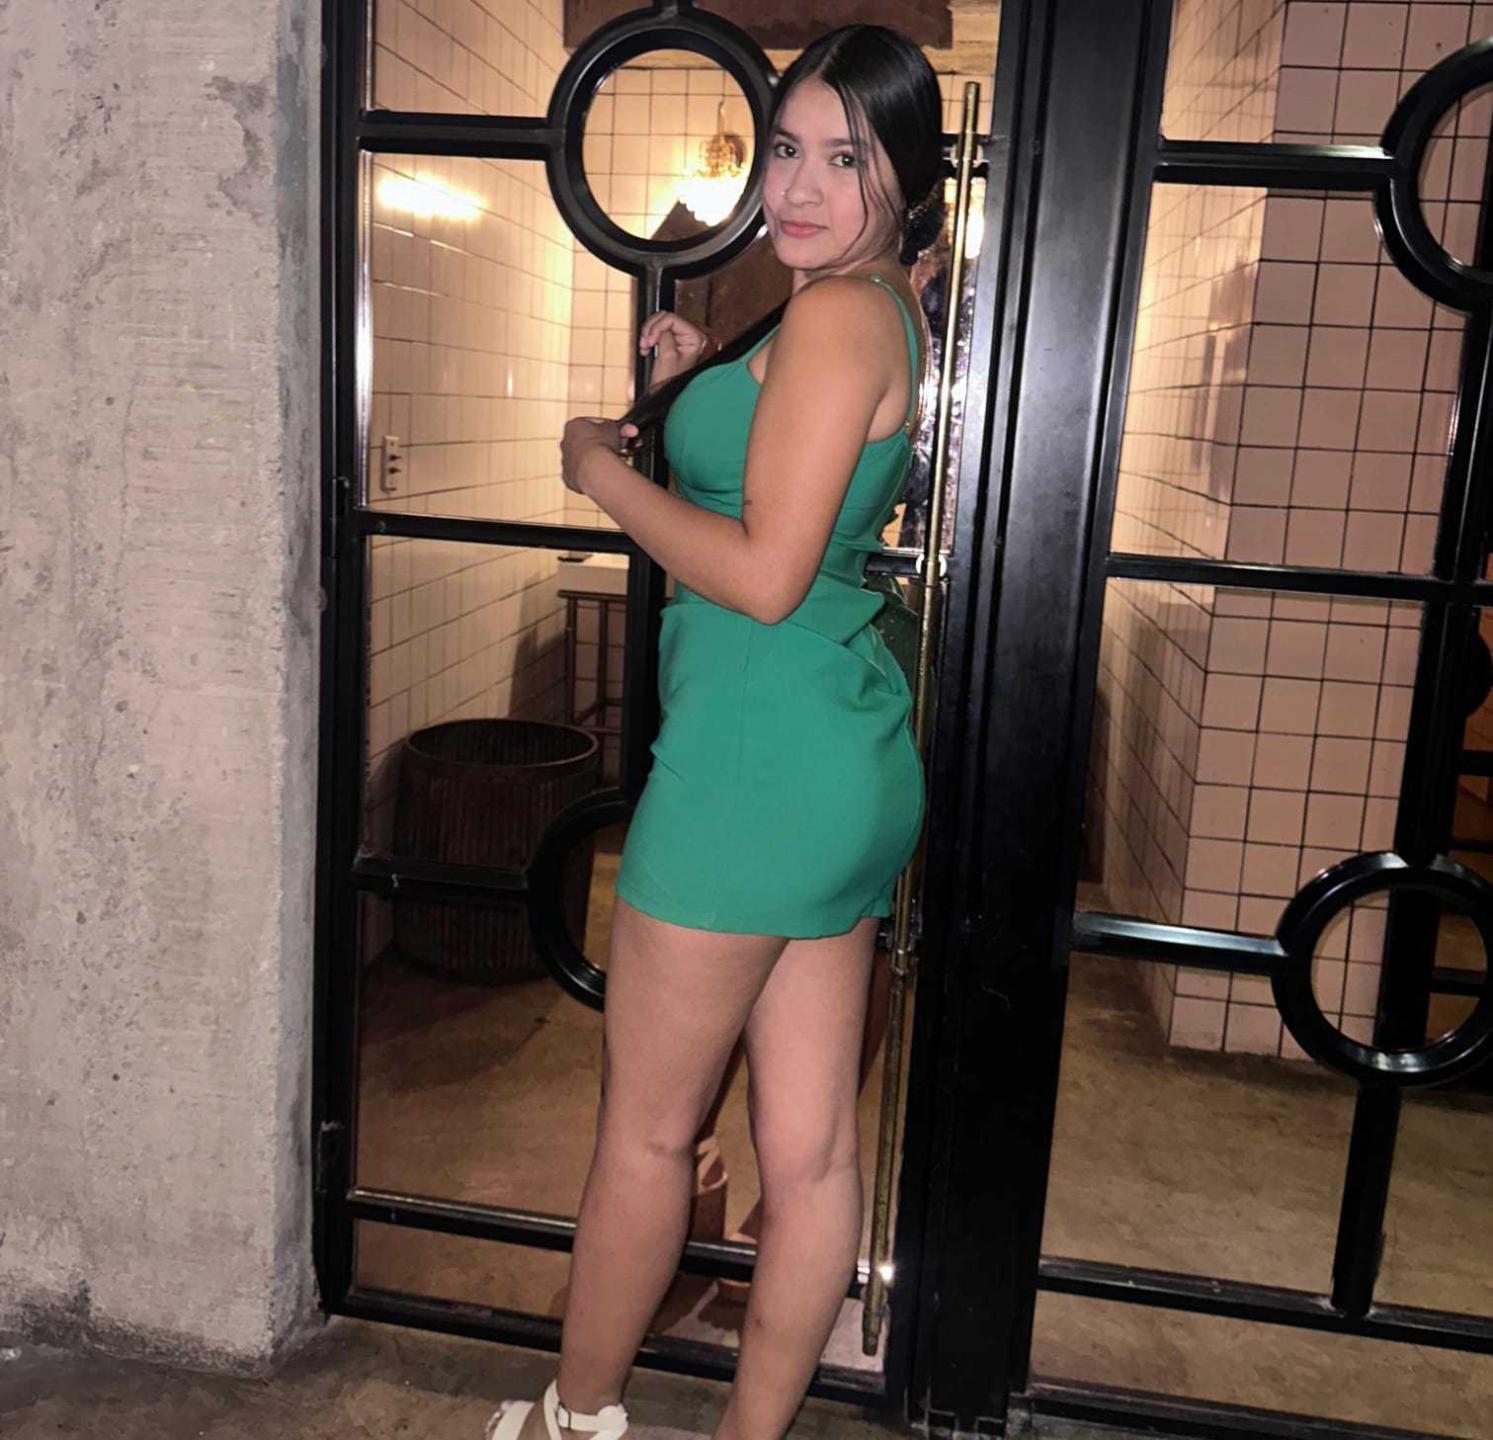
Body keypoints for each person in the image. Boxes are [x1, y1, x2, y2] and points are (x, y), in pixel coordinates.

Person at [486, 22, 945, 1440]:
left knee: (646, 1134)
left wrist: (595, 469)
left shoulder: (836, 315)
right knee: (807, 1160)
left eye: (844, 159)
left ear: (906, 173)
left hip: (751, 768)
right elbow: (797, 476)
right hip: (834, 765)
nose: (797, 186)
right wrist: (706, 384)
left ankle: (573, 1421)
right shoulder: (871, 306)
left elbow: (760, 572)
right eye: (786, 149)